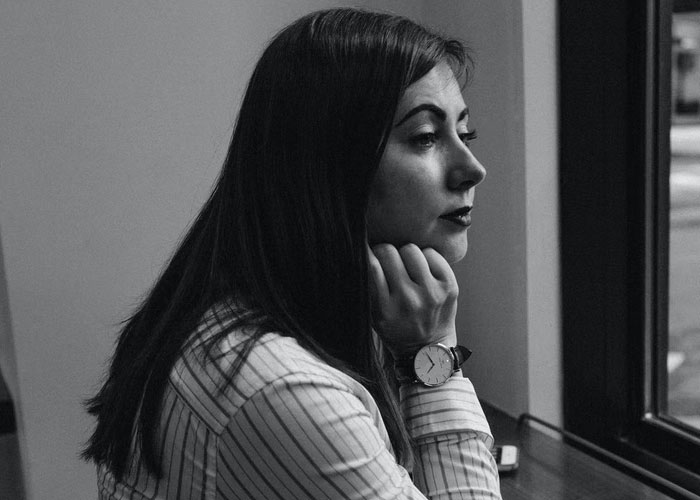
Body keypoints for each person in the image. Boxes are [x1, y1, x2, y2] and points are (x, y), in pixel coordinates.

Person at [82, 7, 501, 499]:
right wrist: (433, 356)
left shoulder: (298, 312)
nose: (473, 169)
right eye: (426, 137)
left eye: (465, 134)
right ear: (328, 163)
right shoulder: (282, 386)